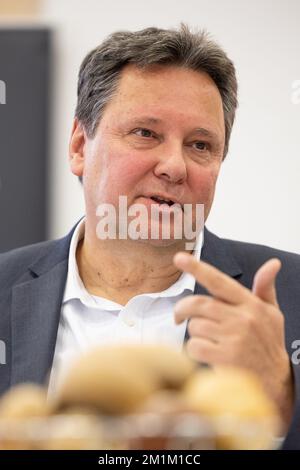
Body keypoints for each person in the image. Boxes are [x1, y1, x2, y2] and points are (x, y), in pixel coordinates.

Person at [0, 24, 299, 449]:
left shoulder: (291, 297)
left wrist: (281, 402)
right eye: (145, 133)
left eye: (200, 145)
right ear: (80, 146)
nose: (174, 166)